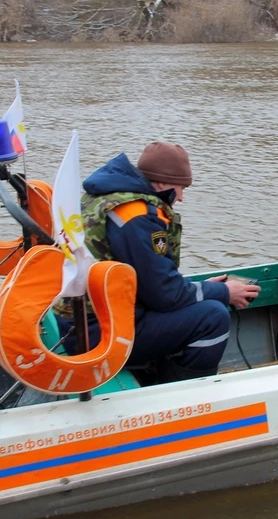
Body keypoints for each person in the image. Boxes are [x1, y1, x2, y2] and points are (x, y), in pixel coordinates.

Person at [57, 141, 259, 384]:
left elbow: (148, 281)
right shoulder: (137, 216)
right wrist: (222, 293)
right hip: (98, 333)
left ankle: (154, 375)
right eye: (181, 188)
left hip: (79, 322)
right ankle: (185, 400)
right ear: (162, 184)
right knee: (213, 317)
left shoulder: (103, 198)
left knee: (200, 302)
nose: (181, 197)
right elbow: (164, 295)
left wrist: (203, 287)